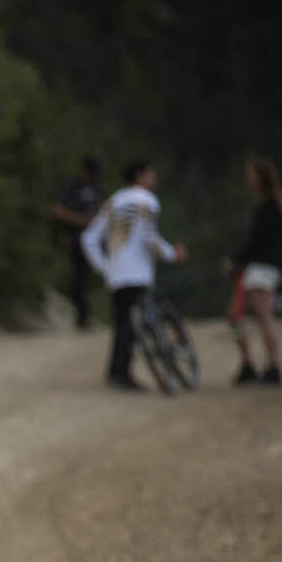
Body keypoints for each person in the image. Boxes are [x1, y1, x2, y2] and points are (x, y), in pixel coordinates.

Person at [81, 161, 189, 390]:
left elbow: (88, 238)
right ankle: (126, 372)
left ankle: (118, 372)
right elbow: (149, 237)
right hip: (138, 273)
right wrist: (172, 253)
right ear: (141, 176)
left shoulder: (113, 201)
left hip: (116, 275)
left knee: (123, 323)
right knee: (133, 324)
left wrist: (104, 267)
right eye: (151, 174)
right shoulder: (146, 199)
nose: (154, 179)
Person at [224, 159, 282, 385]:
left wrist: (235, 260)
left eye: (252, 175)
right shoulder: (272, 205)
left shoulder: (270, 206)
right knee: (235, 316)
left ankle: (271, 366)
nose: (248, 179)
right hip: (259, 269)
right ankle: (250, 364)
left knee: (262, 318)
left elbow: (256, 241)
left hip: (261, 270)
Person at [48, 155, 102, 329]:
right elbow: (56, 211)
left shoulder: (95, 190)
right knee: (78, 279)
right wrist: (81, 220)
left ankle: (85, 315)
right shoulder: (71, 188)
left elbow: (99, 216)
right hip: (75, 239)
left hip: (92, 242)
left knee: (87, 279)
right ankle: (81, 317)